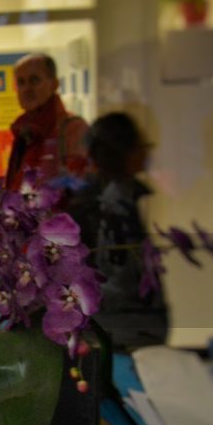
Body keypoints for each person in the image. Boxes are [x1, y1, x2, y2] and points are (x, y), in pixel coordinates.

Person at [67, 112, 169, 349]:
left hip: (115, 332)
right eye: (142, 146)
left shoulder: (94, 201)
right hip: (126, 336)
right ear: (127, 152)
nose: (147, 153)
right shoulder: (116, 205)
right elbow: (120, 280)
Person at [3, 53, 88, 191]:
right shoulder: (24, 133)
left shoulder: (72, 129)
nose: (26, 89)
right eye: (21, 82)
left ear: (54, 84)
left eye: (34, 80)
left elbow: (79, 191)